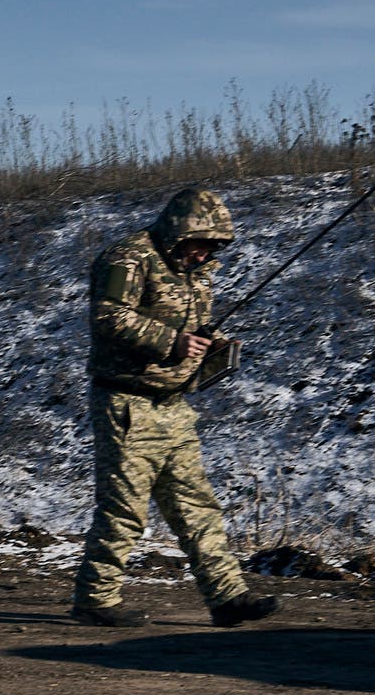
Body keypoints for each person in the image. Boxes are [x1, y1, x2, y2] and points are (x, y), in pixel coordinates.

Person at [72, 185, 280, 629]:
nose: (206, 254)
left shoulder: (197, 274)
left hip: (175, 406)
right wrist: (172, 341)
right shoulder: (127, 258)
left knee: (196, 506)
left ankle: (228, 597)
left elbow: (191, 326)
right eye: (201, 244)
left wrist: (211, 345)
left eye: (214, 247)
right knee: (125, 508)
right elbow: (108, 315)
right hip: (127, 404)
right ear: (179, 233)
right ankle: (96, 597)